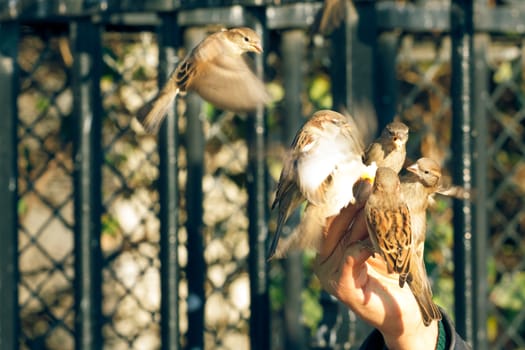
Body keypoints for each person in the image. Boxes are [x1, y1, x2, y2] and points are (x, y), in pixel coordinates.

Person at [312, 187, 472, 349]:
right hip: (400, 259)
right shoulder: (397, 206)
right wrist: (411, 333)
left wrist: (413, 332)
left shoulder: (382, 208)